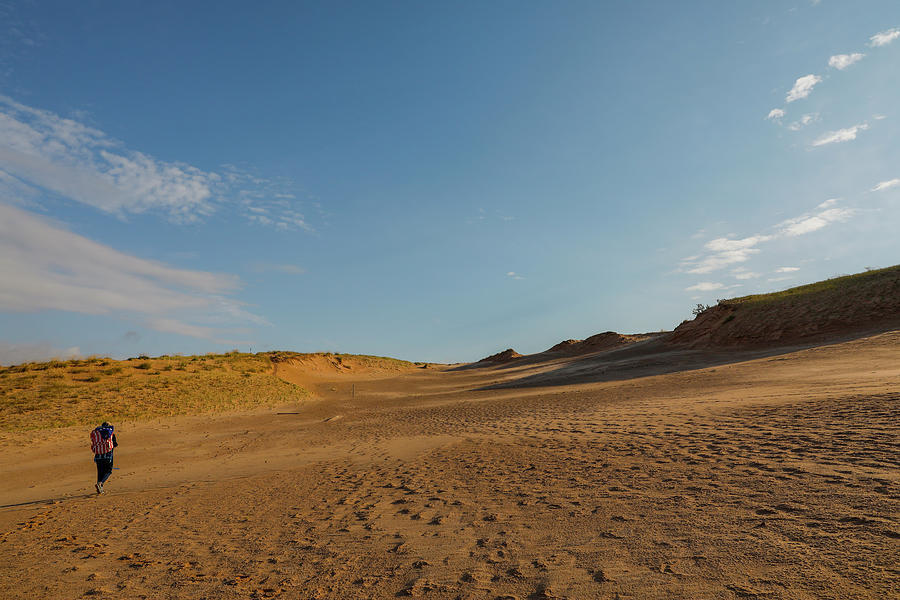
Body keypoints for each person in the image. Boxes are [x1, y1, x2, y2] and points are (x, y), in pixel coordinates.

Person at [90, 421, 118, 494]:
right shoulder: (111, 434)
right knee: (108, 471)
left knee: (100, 472)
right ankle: (100, 484)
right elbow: (115, 444)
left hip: (98, 456)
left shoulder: (97, 434)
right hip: (108, 455)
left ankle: (100, 488)